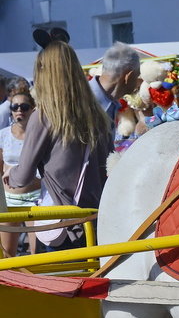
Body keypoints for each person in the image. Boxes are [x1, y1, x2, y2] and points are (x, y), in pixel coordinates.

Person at [3, 40, 113, 251]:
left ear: (44, 73)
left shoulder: (44, 116)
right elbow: (107, 166)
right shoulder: (98, 116)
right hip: (97, 220)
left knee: (63, 281)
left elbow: (23, 176)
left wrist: (10, 174)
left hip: (63, 223)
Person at [0, 87, 40, 257]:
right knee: (8, 253)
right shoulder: (3, 135)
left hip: (35, 199)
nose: (19, 111)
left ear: (33, 109)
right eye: (14, 107)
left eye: (24, 107)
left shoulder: (40, 134)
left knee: (37, 254)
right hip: (9, 201)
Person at [90, 42, 141, 138]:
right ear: (128, 77)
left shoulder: (110, 103)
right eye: (137, 76)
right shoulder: (81, 102)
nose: (138, 83)